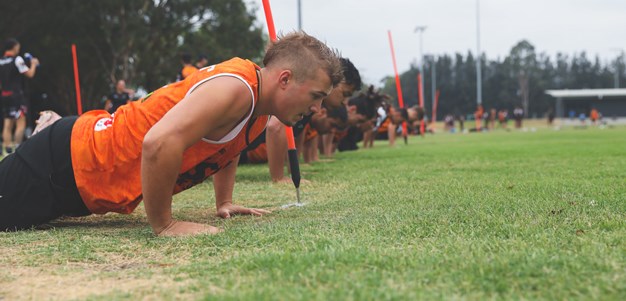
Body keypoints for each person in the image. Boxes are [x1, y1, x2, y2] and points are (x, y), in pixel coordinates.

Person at [0, 32, 342, 236]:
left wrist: (223, 202)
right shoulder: (237, 88)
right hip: (67, 161)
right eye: (316, 96)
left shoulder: (257, 105)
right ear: (285, 80)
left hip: (80, 182)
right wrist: (164, 225)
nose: (316, 109)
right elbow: (159, 142)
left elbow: (229, 148)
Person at [0, 38, 39, 155]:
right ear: (14, 47)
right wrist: (33, 64)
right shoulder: (17, 59)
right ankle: (17, 150)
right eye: (18, 47)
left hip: (5, 96)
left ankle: (6, 151)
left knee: (7, 123)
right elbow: (30, 74)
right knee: (21, 122)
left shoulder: (1, 61)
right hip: (17, 96)